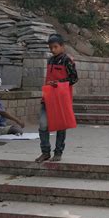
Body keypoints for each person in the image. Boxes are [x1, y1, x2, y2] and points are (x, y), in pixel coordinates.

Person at [36, 34, 78, 163]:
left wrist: (59, 83)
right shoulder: (50, 60)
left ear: (62, 47)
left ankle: (58, 152)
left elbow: (74, 78)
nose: (53, 50)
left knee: (61, 125)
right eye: (51, 47)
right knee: (43, 124)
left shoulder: (67, 60)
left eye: (55, 47)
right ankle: (45, 152)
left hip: (61, 97)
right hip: (48, 96)